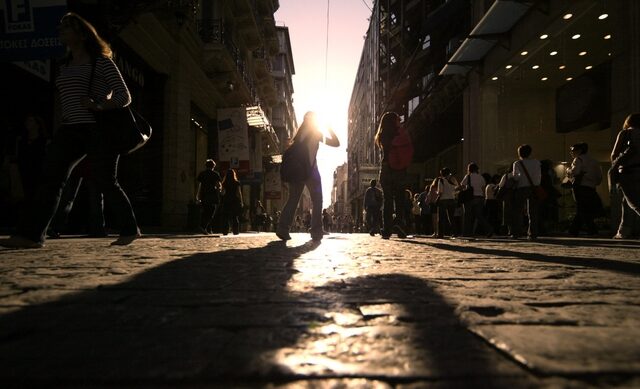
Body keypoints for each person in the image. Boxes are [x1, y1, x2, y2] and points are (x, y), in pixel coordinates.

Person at [2, 12, 140, 248]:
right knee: (51, 179)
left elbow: (124, 96)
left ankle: (130, 229)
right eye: (61, 27)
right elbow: (65, 100)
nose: (61, 31)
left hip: (97, 129)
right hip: (69, 130)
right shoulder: (63, 65)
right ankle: (32, 236)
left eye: (67, 27)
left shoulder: (101, 62)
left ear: (82, 34)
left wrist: (99, 104)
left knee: (106, 180)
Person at [276, 112, 340, 241]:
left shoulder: (298, 135)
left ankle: (282, 228)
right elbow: (335, 143)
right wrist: (329, 128)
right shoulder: (316, 133)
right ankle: (316, 230)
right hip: (310, 171)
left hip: (297, 171)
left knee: (293, 199)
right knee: (317, 200)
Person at [375, 112, 409, 239]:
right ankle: (400, 225)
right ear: (393, 121)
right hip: (398, 169)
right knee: (400, 198)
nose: (399, 122)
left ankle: (387, 229)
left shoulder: (382, 135)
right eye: (397, 120)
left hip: (386, 168)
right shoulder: (399, 133)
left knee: (388, 200)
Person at [566, 143, 603, 236]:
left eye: (573, 150)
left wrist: (568, 170)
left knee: (581, 209)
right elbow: (599, 177)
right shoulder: (594, 161)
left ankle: (577, 230)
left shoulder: (578, 159)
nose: (571, 152)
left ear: (579, 151)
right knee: (586, 209)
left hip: (580, 187)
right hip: (591, 188)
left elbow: (575, 172)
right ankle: (577, 230)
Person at [611, 113, 640, 220]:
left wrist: (615, 170)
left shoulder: (625, 133)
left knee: (633, 203)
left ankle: (623, 231)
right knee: (627, 201)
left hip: (628, 172)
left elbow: (614, 154)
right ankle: (623, 230)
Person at [511, 144, 541, 240]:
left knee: (518, 211)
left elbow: (516, 177)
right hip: (534, 187)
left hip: (522, 187)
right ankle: (533, 233)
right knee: (533, 212)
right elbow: (539, 176)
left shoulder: (517, 163)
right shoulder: (536, 162)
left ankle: (517, 232)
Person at [459, 162, 493, 238]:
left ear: (469, 169)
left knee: (467, 216)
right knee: (479, 216)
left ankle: (467, 233)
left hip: (470, 198)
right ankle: (489, 228)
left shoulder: (468, 176)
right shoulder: (481, 177)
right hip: (480, 198)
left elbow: (462, 186)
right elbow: (483, 188)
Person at [195, 158, 222, 234]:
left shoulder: (202, 174)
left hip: (203, 195)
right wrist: (219, 190)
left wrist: (197, 195)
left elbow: (199, 185)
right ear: (213, 166)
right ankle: (203, 226)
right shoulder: (215, 174)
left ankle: (208, 229)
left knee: (205, 212)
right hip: (212, 196)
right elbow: (218, 185)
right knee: (211, 212)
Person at [434, 167, 458, 238]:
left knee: (441, 218)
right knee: (451, 217)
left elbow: (440, 192)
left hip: (443, 200)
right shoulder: (454, 180)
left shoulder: (441, 180)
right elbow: (457, 189)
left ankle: (441, 234)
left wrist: (437, 194)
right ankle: (454, 232)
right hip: (452, 199)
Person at [221, 168, 243, 235]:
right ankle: (235, 231)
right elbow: (239, 193)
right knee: (235, 216)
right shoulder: (237, 183)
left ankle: (225, 231)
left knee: (226, 217)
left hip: (227, 200)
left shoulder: (224, 183)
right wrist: (241, 201)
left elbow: (222, 193)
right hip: (234, 200)